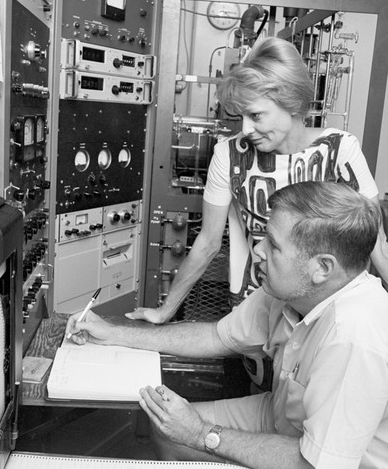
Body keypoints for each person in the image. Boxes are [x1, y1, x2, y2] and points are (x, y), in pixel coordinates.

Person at [66, 181, 388, 469]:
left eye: (273, 245)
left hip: (322, 459)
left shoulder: (355, 336)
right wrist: (114, 333)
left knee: (184, 433)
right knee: (166, 428)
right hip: (282, 419)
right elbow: (215, 336)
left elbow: (313, 464)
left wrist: (200, 433)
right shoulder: (289, 290)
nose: (257, 251)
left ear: (322, 268)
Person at [127, 36, 388, 335]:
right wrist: (165, 311)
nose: (246, 130)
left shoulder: (341, 149)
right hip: (258, 307)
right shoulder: (228, 154)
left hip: (328, 317)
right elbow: (208, 242)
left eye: (256, 115)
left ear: (290, 101)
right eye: (241, 117)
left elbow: (376, 246)